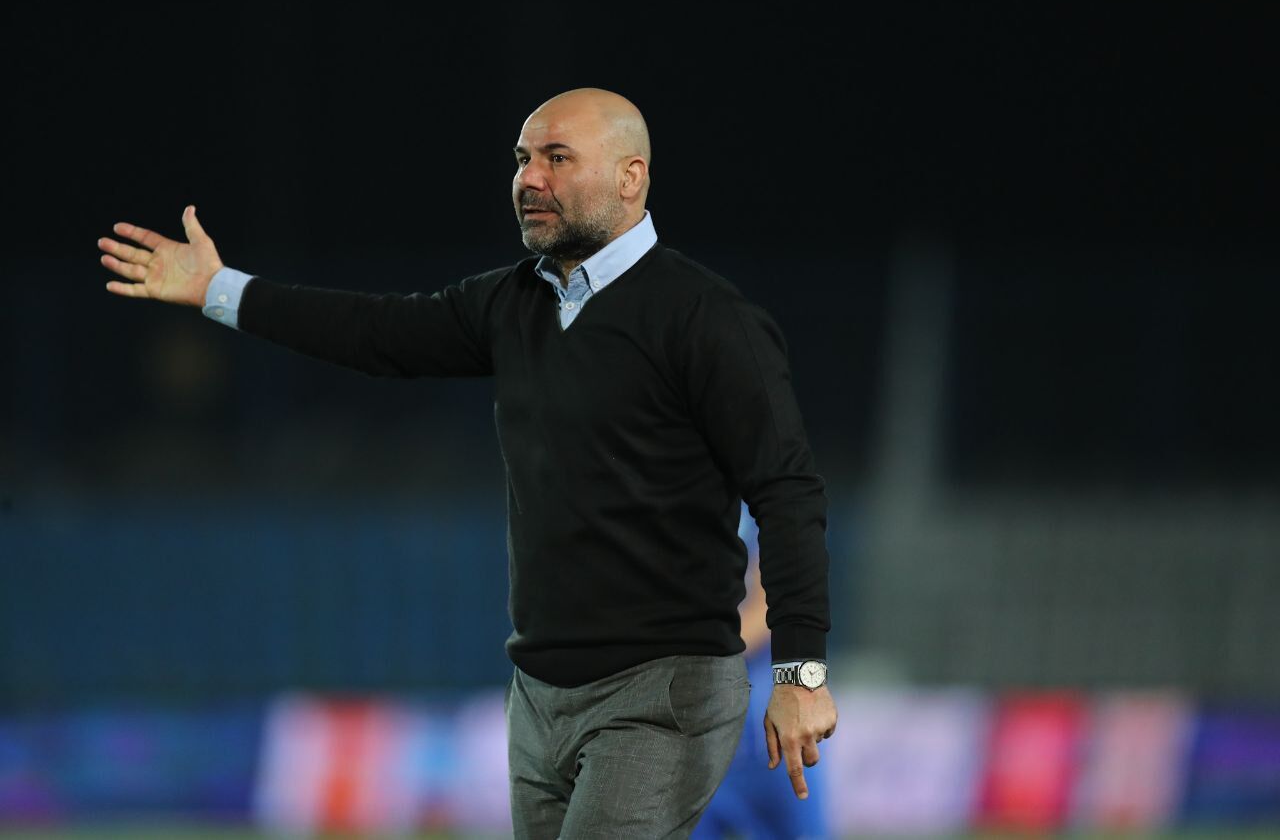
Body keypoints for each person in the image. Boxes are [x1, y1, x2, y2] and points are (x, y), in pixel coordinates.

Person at [98, 87, 837, 839]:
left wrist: (800, 673)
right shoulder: (513, 304)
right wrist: (220, 289)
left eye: (557, 158)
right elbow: (375, 331)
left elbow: (788, 492)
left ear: (630, 176)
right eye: (522, 158)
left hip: (665, 691)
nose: (529, 178)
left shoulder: (708, 318)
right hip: (540, 694)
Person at [692, 505, 830, 840]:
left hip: (763, 715)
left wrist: (701, 654)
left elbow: (772, 598)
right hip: (691, 719)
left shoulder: (757, 500)